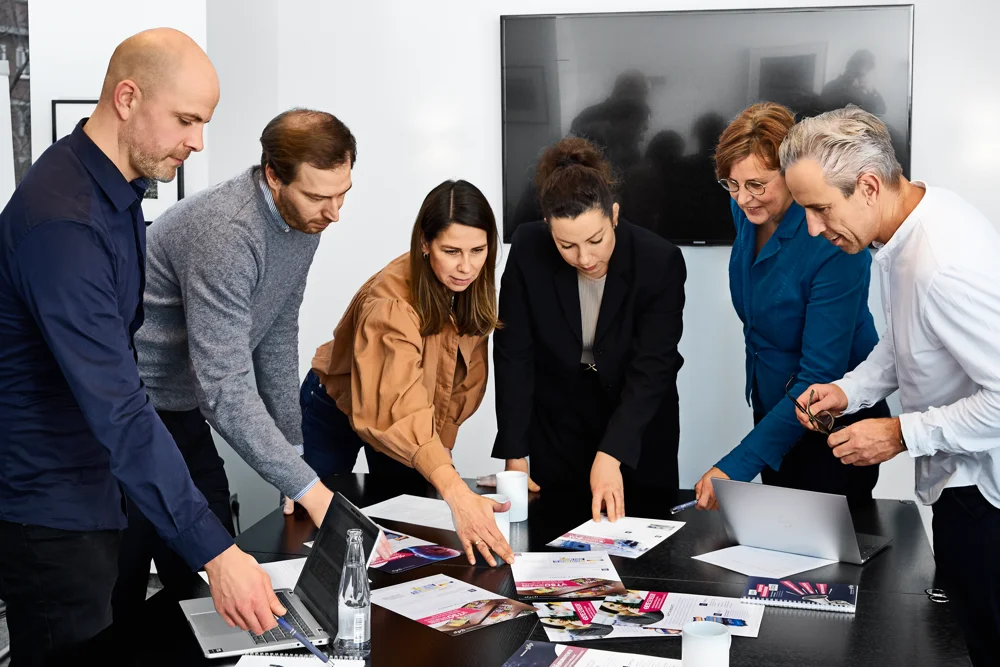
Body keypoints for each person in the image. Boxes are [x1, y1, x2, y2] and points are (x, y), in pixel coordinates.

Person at [0, 29, 284, 665]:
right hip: (51, 509)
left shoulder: (117, 192)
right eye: (186, 120)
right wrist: (217, 552)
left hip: (98, 486)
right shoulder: (64, 223)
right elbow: (118, 405)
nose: (198, 141)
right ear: (127, 98)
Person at [112, 109, 352, 622]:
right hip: (126, 415)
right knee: (121, 590)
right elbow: (223, 385)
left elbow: (277, 334)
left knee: (211, 579)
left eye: (342, 194)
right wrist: (311, 490)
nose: (334, 213)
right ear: (273, 176)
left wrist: (293, 458)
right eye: (319, 196)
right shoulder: (226, 231)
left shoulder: (303, 222)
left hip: (180, 409)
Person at [781, 106, 1000, 667]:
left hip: (984, 497)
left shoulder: (941, 264)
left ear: (869, 186)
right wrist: (848, 391)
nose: (814, 228)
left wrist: (902, 433)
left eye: (820, 208)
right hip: (960, 483)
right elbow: (910, 342)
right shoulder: (910, 225)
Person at [301, 180, 514, 567]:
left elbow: (460, 380)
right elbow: (395, 406)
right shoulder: (391, 302)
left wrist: (443, 447)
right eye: (451, 251)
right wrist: (454, 489)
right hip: (336, 406)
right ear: (425, 243)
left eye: (478, 251)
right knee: (312, 528)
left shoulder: (471, 287)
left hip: (405, 413)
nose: (466, 266)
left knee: (410, 526)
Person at [693, 102, 888, 510]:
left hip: (832, 423)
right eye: (731, 184)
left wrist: (736, 465)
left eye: (756, 184)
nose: (743, 198)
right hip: (774, 416)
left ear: (791, 173)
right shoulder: (748, 209)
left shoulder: (832, 238)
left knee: (829, 547)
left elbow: (819, 374)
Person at [492, 136, 686, 523]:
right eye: (567, 245)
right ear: (548, 227)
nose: (584, 258)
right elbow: (514, 352)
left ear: (614, 215)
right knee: (553, 532)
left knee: (642, 535)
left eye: (596, 240)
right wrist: (515, 454)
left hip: (637, 421)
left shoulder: (658, 260)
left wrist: (613, 453)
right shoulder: (529, 248)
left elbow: (654, 365)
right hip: (558, 421)